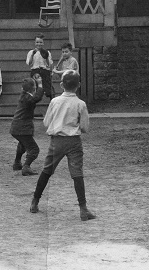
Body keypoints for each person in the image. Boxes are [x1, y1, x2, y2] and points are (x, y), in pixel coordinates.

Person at [29, 71, 96, 221]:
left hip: (56, 141)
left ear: (61, 85)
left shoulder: (54, 101)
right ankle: (83, 209)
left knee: (47, 171)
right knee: (77, 174)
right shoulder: (80, 104)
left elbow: (46, 122)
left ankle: (35, 201)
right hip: (74, 142)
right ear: (78, 86)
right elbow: (85, 128)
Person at [11, 74, 44, 176]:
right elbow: (37, 98)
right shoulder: (29, 99)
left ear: (22, 88)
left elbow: (34, 96)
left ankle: (17, 163)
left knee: (22, 144)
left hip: (15, 127)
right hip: (23, 128)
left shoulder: (23, 95)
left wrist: (35, 85)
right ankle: (26, 167)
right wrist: (40, 85)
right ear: (33, 88)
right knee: (34, 149)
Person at [26, 34, 54, 99]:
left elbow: (49, 64)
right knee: (34, 88)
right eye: (37, 42)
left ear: (43, 43)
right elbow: (29, 63)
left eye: (41, 42)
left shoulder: (47, 52)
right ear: (35, 43)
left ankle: (49, 98)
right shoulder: (31, 52)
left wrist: (46, 57)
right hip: (35, 71)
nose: (39, 44)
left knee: (48, 89)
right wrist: (32, 55)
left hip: (44, 71)